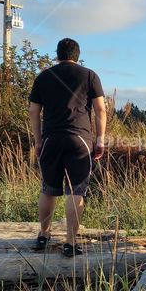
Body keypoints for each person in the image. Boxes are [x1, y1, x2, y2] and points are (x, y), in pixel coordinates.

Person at [28, 38, 106, 257]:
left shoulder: (43, 77)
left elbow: (34, 111)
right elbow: (100, 110)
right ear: (77, 55)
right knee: (76, 191)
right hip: (80, 140)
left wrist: (38, 141)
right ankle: (70, 243)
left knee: (49, 189)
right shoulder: (90, 75)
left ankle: (44, 235)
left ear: (57, 55)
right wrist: (99, 140)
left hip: (51, 139)